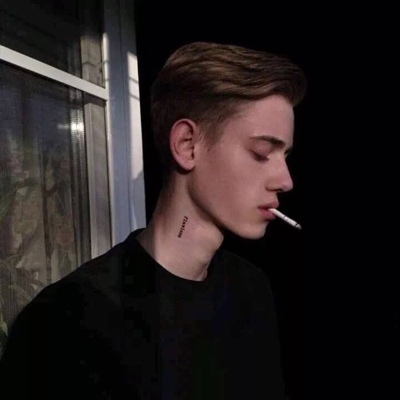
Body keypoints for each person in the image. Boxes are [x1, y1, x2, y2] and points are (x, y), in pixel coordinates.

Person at [0, 41, 307, 399]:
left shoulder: (251, 290)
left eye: (285, 155)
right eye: (262, 152)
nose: (286, 180)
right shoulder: (68, 319)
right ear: (187, 145)